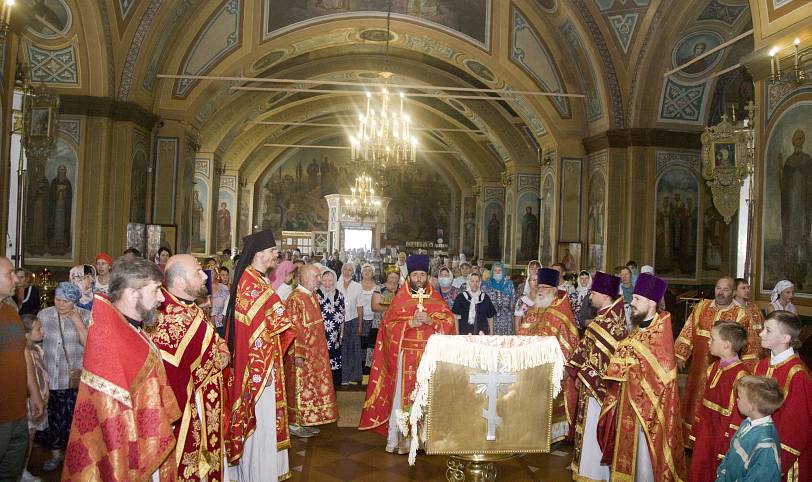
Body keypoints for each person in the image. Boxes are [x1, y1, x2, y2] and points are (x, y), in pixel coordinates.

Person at [62, 257, 180, 481]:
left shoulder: (132, 329)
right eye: (156, 290)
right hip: (128, 450)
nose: (162, 298)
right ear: (132, 293)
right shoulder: (108, 337)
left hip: (147, 439)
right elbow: (111, 417)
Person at [359, 255, 456, 454]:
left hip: (428, 356)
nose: (419, 278)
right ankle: (402, 438)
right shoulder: (400, 298)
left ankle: (425, 438)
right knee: (402, 395)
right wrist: (409, 324)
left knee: (426, 395)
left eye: (422, 274)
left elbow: (449, 322)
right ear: (409, 276)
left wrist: (431, 321)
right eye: (415, 275)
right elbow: (388, 326)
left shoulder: (435, 298)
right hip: (406, 356)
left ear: (427, 275)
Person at [599, 273, 687, 481]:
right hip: (628, 406)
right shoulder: (638, 330)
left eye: (637, 299)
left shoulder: (660, 332)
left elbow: (661, 375)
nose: (632, 303)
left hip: (649, 413)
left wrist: (627, 366)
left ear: (652, 302)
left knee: (645, 463)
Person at [224, 229, 295, 481]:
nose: (276, 254)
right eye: (273, 250)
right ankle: (258, 474)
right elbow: (275, 322)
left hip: (265, 361)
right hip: (257, 367)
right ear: (259, 254)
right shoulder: (251, 283)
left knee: (266, 420)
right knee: (261, 421)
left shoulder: (258, 279)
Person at [151, 254, 229, 480]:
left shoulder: (189, 308)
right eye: (197, 272)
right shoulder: (165, 318)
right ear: (180, 282)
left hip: (207, 404)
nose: (205, 277)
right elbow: (171, 377)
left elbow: (213, 341)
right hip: (189, 410)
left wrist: (222, 352)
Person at [675, 276, 755, 445]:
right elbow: (689, 329)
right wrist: (681, 354)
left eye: (726, 289)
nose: (721, 292)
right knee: (693, 397)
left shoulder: (740, 314)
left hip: (725, 369)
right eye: (718, 288)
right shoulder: (702, 307)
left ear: (733, 292)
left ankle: (710, 441)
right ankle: (689, 439)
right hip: (698, 365)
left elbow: (749, 346)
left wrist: (748, 371)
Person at [566, 271, 626, 482]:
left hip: (597, 390)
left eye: (594, 292)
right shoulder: (605, 317)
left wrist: (583, 374)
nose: (590, 295)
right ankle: (586, 469)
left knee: (594, 427)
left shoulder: (609, 323)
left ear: (605, 295)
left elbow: (605, 357)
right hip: (590, 384)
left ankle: (594, 473)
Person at [517, 268, 579, 442]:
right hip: (533, 365)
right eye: (539, 286)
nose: (540, 290)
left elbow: (569, 340)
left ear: (553, 289)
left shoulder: (561, 311)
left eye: (544, 287)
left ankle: (554, 434)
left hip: (553, 368)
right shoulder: (536, 307)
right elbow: (524, 330)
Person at [35, 282, 90, 472]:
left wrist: (76, 320)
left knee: (72, 420)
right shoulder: (44, 315)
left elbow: (89, 345)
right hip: (49, 377)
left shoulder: (85, 315)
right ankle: (56, 456)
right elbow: (35, 341)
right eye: (57, 299)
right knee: (52, 419)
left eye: (65, 301)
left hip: (72, 379)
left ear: (74, 301)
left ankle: (73, 458)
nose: (60, 304)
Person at [753, 310, 812, 479]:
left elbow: (797, 427)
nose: (761, 333)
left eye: (768, 330)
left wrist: (775, 462)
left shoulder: (798, 375)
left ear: (785, 338)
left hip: (784, 458)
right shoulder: (761, 366)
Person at [689, 321, 750, 482]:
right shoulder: (713, 367)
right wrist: (697, 429)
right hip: (705, 435)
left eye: (712, 339)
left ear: (726, 345)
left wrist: (725, 448)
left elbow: (738, 417)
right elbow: (703, 403)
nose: (708, 342)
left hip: (721, 439)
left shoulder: (740, 375)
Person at [284, 264, 338, 438]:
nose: (320, 280)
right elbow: (294, 329)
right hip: (303, 354)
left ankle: (305, 421)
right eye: (317, 276)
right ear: (306, 277)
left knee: (310, 388)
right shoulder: (295, 299)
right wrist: (298, 353)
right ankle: (294, 423)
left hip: (315, 353)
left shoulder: (311, 296)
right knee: (299, 388)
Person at [0, 258, 42, 481]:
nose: (16, 279)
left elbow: (23, 352)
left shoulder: (10, 311)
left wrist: (34, 393)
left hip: (18, 413)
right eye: (9, 274)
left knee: (11, 471)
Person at [716, 376, 784, 482]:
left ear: (751, 407)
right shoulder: (747, 423)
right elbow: (730, 456)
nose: (736, 399)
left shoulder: (766, 445)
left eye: (739, 397)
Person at [22, 315, 47, 482]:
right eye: (38, 329)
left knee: (31, 436)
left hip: (39, 396)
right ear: (27, 334)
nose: (42, 331)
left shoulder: (37, 349)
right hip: (28, 401)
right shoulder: (24, 353)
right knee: (26, 437)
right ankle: (20, 469)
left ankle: (23, 467)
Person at [316, 267, 344, 386]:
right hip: (320, 333)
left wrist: (341, 334)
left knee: (334, 355)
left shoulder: (339, 295)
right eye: (325, 280)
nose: (328, 283)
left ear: (335, 281)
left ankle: (333, 384)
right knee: (321, 356)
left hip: (334, 334)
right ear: (321, 280)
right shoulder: (316, 294)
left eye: (330, 280)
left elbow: (343, 315)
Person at [338, 262, 363, 385]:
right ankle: (343, 377)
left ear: (353, 273)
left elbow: (359, 307)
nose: (347, 272)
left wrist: (360, 324)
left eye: (350, 270)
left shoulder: (357, 286)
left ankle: (354, 376)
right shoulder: (336, 285)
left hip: (353, 320)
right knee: (342, 349)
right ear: (342, 271)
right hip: (340, 322)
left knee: (354, 349)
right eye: (345, 269)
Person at [733, 277, 766, 365]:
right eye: (743, 288)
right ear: (735, 291)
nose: (747, 290)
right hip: (742, 354)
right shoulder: (731, 310)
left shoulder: (754, 307)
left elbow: (762, 325)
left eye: (748, 287)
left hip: (759, 353)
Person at [481, 262, 515, 335]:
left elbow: (512, 302)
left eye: (500, 270)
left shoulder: (509, 284)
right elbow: (483, 303)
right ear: (492, 272)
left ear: (503, 272)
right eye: (495, 270)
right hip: (490, 320)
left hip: (506, 320)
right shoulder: (486, 285)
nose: (497, 272)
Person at [358, 264, 379, 372]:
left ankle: (369, 370)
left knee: (371, 345)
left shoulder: (377, 287)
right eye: (365, 270)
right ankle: (360, 369)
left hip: (373, 320)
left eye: (369, 270)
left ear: (373, 273)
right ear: (361, 272)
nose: (367, 272)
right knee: (360, 344)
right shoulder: (357, 286)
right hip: (359, 319)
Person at [513, 269, 538, 333]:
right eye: (534, 280)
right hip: (526, 335)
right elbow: (517, 322)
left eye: (539, 280)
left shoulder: (546, 300)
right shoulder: (522, 300)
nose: (536, 282)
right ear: (528, 282)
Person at [210, 265, 230, 337]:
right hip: (208, 325)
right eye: (208, 273)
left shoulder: (224, 288)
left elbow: (228, 306)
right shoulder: (203, 289)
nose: (210, 275)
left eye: (212, 273)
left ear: (216, 275)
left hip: (222, 324)